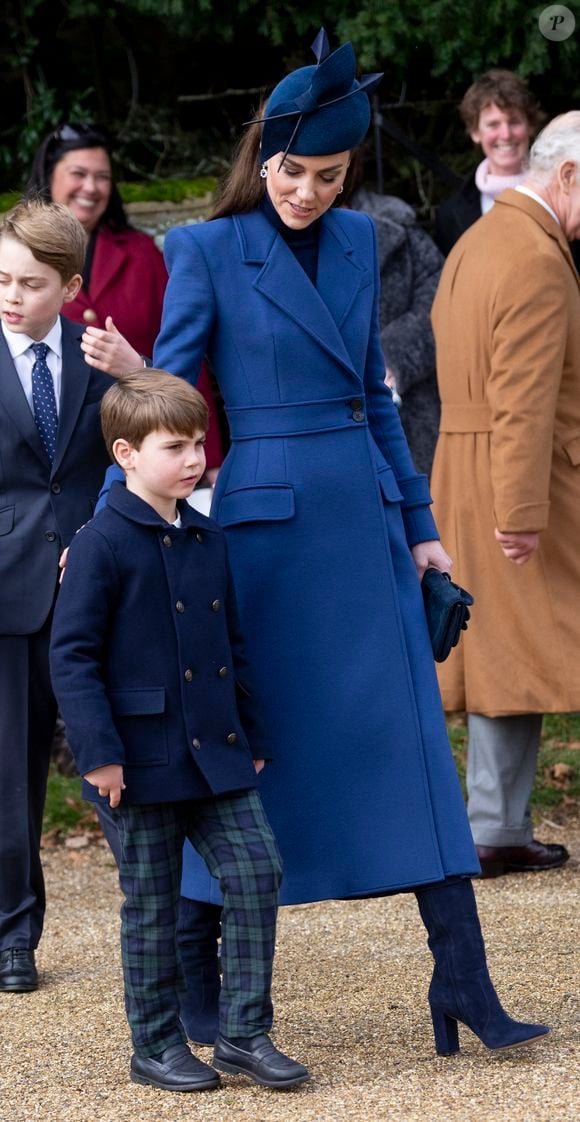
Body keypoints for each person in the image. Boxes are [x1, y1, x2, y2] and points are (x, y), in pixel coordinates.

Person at [100, 29, 549, 1056]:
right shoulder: (204, 250)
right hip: (261, 540)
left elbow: (376, 404)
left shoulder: (361, 241)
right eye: (292, 170)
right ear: (264, 158)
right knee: (249, 757)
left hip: (365, 531)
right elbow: (175, 395)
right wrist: (126, 519)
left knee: (414, 760)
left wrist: (423, 534)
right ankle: (202, 989)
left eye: (328, 175)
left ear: (352, 173)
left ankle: (466, 986)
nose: (306, 191)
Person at [49, 369, 308, 1093]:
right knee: (154, 907)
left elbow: (233, 644)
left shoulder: (206, 535)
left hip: (218, 754)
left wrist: (250, 734)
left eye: (198, 444)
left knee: (257, 871)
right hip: (137, 760)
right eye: (175, 446)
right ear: (126, 455)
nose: (194, 459)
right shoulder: (99, 543)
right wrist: (98, 755)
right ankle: (156, 1046)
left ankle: (244, 1034)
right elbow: (70, 658)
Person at [430, 112, 580, 877]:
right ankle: (493, 827)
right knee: (532, 649)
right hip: (521, 482)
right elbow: (524, 397)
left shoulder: (480, 240)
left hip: (469, 470)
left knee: (505, 658)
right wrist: (522, 513)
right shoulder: (535, 256)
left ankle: (494, 827)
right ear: (567, 174)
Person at [0, 199, 115, 993]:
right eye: (2, 278)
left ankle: (175, 917)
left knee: (124, 755)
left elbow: (162, 443)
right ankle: (12, 937)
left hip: (92, 586)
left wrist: (139, 368)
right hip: (5, 593)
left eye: (31, 284)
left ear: (69, 287)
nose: (11, 295)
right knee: (9, 778)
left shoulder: (100, 354)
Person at [26, 122, 224, 471]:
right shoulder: (17, 259)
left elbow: (189, 354)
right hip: (47, 467)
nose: (91, 187)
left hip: (143, 458)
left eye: (102, 176)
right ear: (49, 175)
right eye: (78, 173)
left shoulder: (143, 254)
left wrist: (209, 458)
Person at [349, 180, 443, 474]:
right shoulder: (271, 236)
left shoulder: (396, 224)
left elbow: (439, 301)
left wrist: (389, 359)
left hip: (411, 423)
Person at [435, 70, 542, 257]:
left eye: (514, 122)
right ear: (475, 132)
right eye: (493, 124)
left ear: (530, 125)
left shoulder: (564, 197)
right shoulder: (451, 215)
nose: (506, 134)